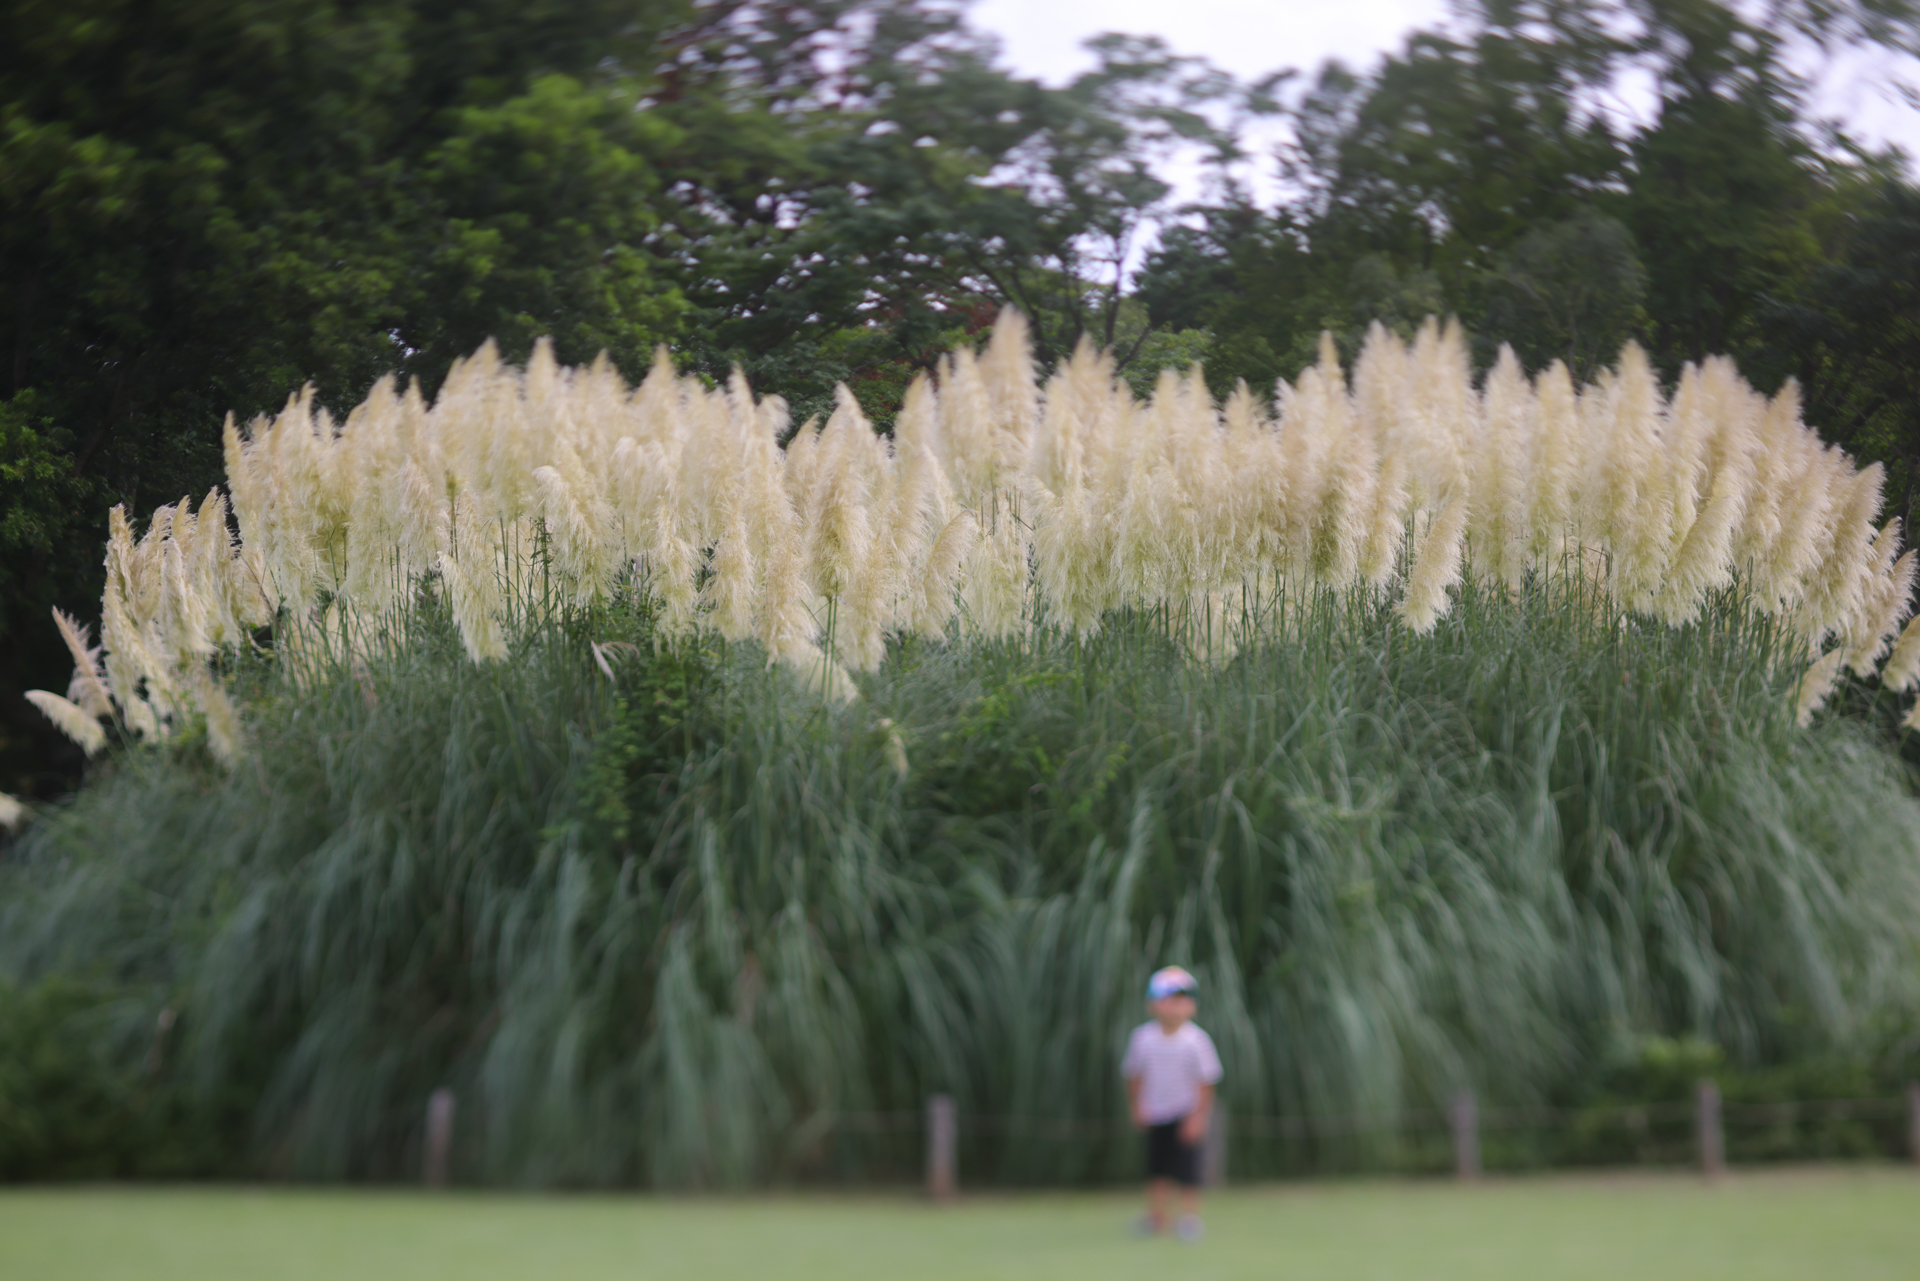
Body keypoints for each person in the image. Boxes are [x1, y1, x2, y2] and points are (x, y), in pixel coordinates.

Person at [1123, 965, 1222, 1241]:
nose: (1176, 1006)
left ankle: (1189, 1219)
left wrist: (1198, 1116)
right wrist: (1137, 1106)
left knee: (1188, 1170)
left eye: (1182, 999)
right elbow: (1134, 1075)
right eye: (1168, 999)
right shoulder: (1142, 1039)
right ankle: (1156, 1217)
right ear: (1152, 1004)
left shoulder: (1197, 1041)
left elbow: (1206, 1081)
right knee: (1157, 1168)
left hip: (1185, 1114)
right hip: (1155, 1113)